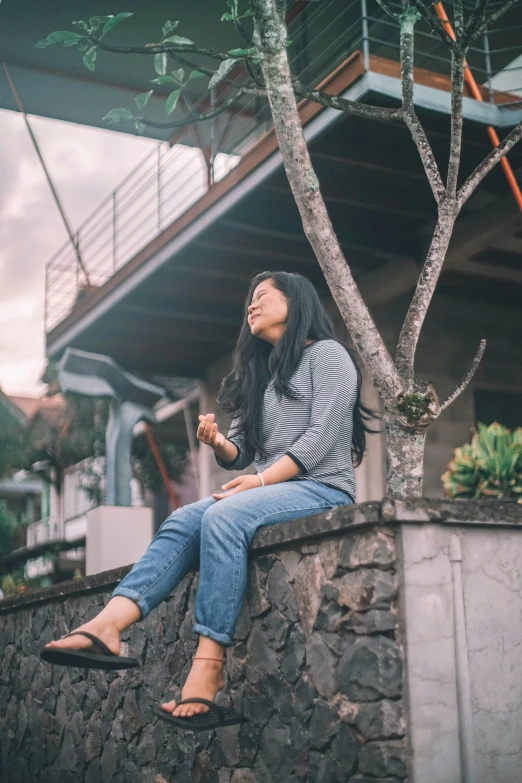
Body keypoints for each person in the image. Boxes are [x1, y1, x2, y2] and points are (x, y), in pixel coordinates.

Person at [40, 270, 373, 731]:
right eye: (249, 301)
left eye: (261, 297)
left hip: (321, 486)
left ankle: (208, 665)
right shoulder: (262, 372)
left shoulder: (329, 357)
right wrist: (216, 441)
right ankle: (107, 627)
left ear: (295, 303)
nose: (251, 307)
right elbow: (242, 454)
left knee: (223, 516)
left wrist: (258, 483)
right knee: (181, 519)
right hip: (271, 487)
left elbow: (322, 438)